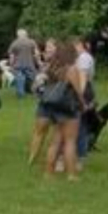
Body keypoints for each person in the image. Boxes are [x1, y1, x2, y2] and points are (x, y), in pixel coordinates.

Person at [29, 40, 86, 180]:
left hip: (53, 106)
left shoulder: (52, 68)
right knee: (70, 141)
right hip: (67, 107)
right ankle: (71, 174)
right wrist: (83, 104)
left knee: (55, 141)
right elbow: (78, 91)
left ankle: (48, 172)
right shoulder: (71, 69)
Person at [73, 35, 99, 165]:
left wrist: (80, 96)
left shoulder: (83, 58)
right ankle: (79, 154)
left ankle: (80, 155)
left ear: (84, 45)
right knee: (80, 124)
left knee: (80, 124)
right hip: (86, 90)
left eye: (77, 45)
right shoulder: (83, 57)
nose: (74, 47)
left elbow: (82, 79)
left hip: (83, 91)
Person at [6, 28, 39, 97]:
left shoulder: (14, 43)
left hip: (18, 65)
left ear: (18, 35)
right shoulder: (31, 42)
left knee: (20, 79)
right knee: (34, 78)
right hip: (29, 64)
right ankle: (35, 91)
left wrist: (11, 64)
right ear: (26, 34)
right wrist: (38, 61)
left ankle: (21, 94)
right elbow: (36, 53)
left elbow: (12, 56)